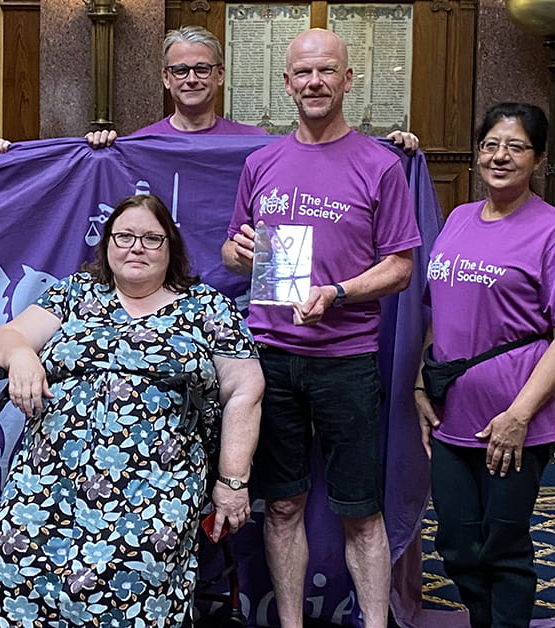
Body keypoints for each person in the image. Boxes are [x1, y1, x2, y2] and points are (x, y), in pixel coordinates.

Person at [0, 194, 263, 627]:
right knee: (19, 583)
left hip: (157, 491)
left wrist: (232, 482)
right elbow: (4, 341)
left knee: (138, 591)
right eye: (124, 236)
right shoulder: (74, 294)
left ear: (171, 247)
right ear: (107, 244)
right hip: (48, 485)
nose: (136, 247)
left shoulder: (207, 307)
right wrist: (22, 358)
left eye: (151, 238)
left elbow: (245, 389)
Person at [221, 29, 421, 628]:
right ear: (287, 83)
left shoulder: (380, 164)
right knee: (282, 505)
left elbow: (402, 267)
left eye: (326, 71)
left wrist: (338, 293)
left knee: (360, 510)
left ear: (347, 80)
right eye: (303, 73)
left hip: (347, 357)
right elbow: (234, 252)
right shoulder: (261, 162)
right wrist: (241, 252)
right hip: (271, 359)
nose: (314, 83)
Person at [415, 103, 555, 628]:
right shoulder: (457, 220)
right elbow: (437, 310)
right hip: (452, 416)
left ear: (538, 159)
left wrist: (519, 416)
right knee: (456, 541)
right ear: (477, 154)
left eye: (516, 147)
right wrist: (417, 382)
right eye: (491, 144)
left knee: (503, 544)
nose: (500, 156)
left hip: (515, 423)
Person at [84, 25, 419, 153]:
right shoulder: (141, 145)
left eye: (202, 68)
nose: (191, 79)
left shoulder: (254, 142)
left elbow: (315, 152)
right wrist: (100, 149)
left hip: (238, 286)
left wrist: (394, 146)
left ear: (220, 75)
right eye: (180, 70)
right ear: (165, 78)